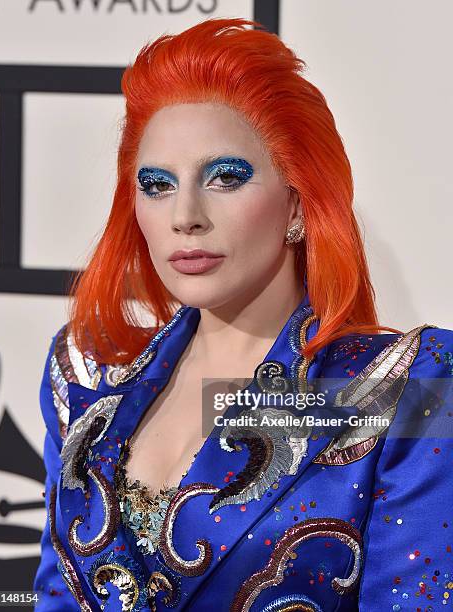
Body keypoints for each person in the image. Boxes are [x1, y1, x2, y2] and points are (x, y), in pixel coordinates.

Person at [32, 17, 453, 612]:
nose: (186, 214)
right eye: (155, 184)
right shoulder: (86, 377)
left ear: (299, 205)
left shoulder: (401, 387)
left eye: (225, 178)